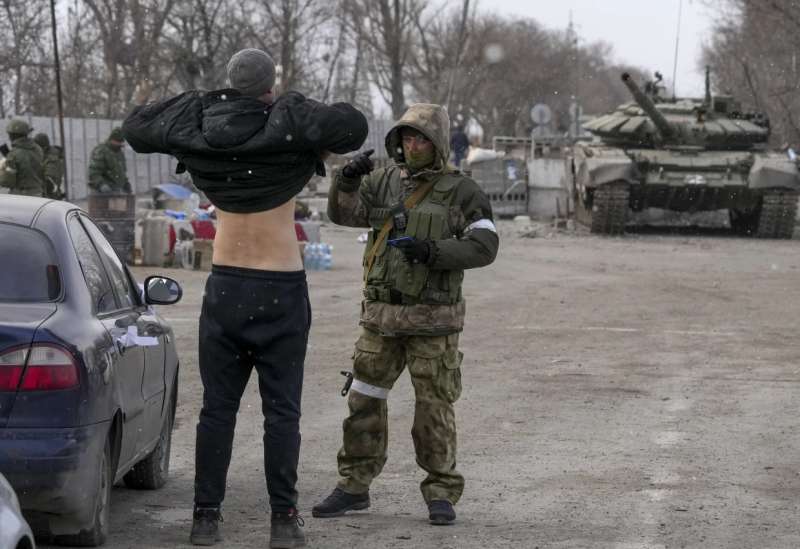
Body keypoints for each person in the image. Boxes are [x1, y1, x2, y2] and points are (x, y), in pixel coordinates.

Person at [123, 48, 368, 548]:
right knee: (282, 413)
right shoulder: (290, 133)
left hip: (226, 286)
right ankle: (284, 519)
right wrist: (292, 108)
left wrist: (195, 102)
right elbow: (351, 125)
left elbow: (136, 126)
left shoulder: (203, 134)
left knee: (218, 410)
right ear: (270, 88)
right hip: (280, 288)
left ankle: (205, 517)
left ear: (230, 87)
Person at [313, 103, 499, 525]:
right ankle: (353, 486)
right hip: (381, 320)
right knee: (364, 403)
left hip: (433, 321)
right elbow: (343, 214)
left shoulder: (462, 191)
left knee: (433, 410)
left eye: (420, 139)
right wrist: (346, 179)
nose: (411, 146)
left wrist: (433, 252)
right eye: (406, 138)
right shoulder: (381, 183)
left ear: (436, 146)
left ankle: (440, 492)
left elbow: (485, 247)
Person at [0, 119, 44, 197]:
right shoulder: (38, 149)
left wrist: (4, 166)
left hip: (21, 196)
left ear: (13, 135)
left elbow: (7, 182)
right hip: (38, 193)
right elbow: (30, 167)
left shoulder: (13, 155)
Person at [88, 127, 131, 194]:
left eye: (121, 143)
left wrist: (126, 183)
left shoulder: (119, 153)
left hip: (116, 191)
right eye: (117, 142)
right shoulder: (101, 151)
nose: (119, 145)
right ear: (112, 140)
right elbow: (94, 172)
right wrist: (101, 184)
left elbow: (122, 172)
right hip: (101, 193)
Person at [33, 133, 66, 199]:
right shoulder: (43, 156)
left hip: (50, 197)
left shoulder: (53, 158)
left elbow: (50, 182)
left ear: (43, 148)